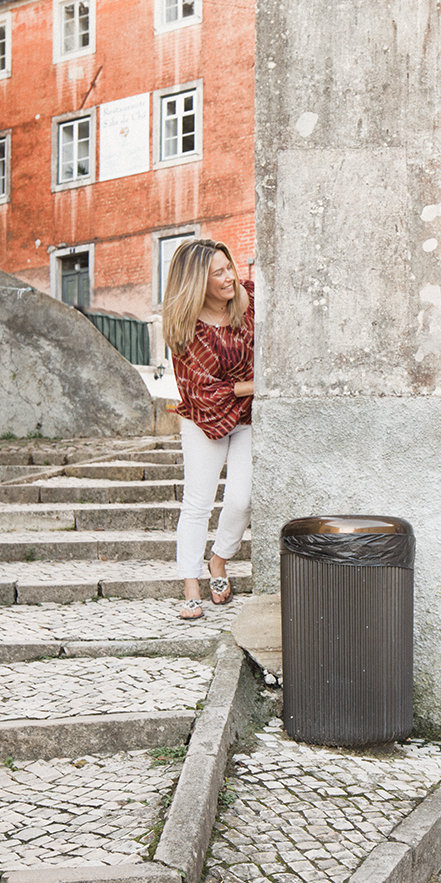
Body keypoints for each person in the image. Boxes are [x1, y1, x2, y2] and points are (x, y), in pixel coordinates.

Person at [162, 238, 256, 620]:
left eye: (228, 267)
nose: (229, 277)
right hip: (203, 417)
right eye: (218, 273)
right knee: (197, 502)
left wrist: (254, 390)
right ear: (197, 282)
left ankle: (219, 560)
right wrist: (257, 384)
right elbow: (202, 390)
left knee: (242, 498)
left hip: (248, 415)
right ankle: (190, 584)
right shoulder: (186, 330)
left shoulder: (250, 302)